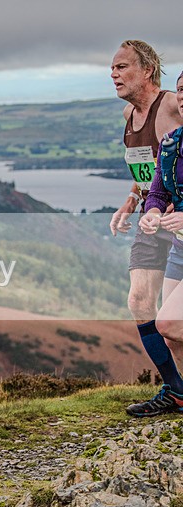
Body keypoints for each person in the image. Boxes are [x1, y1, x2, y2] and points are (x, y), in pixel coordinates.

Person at [108, 40, 183, 416]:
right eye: (112, 68)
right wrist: (132, 200)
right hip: (151, 220)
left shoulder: (170, 103)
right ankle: (176, 389)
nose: (113, 74)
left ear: (147, 70)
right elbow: (146, 170)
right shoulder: (127, 114)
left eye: (122, 67)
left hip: (179, 221)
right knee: (139, 301)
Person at [136, 72, 183, 415]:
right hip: (180, 249)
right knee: (173, 336)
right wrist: (150, 213)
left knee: (168, 323)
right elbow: (157, 193)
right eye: (181, 90)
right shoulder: (171, 144)